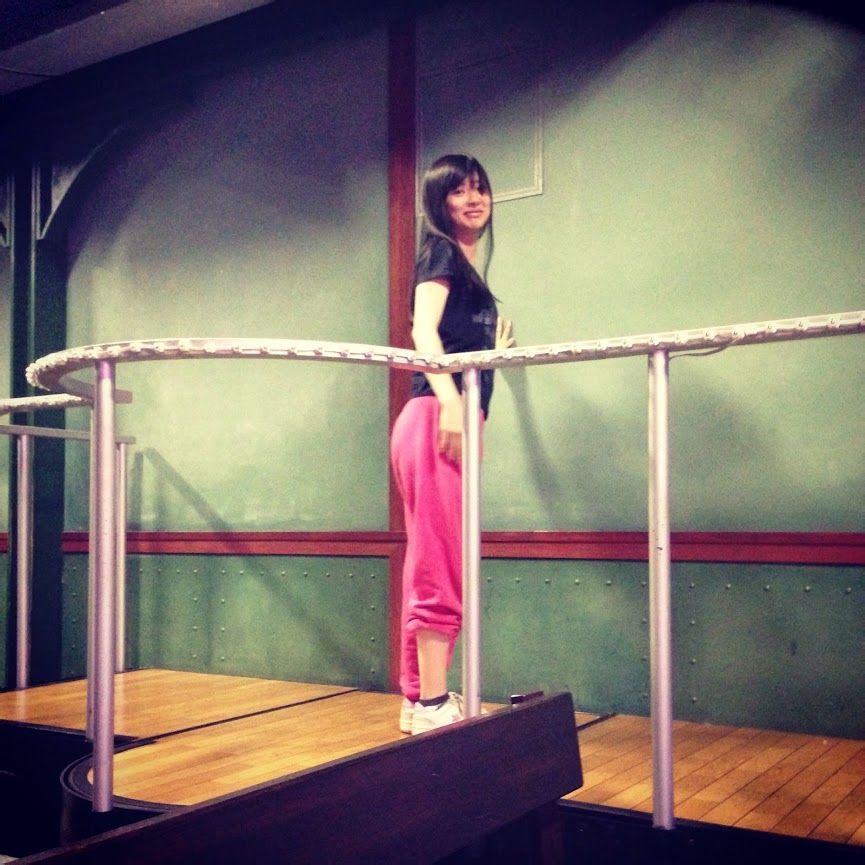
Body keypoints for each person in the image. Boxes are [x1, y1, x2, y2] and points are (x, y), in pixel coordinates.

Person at [390, 154, 514, 735]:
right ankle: (435, 702)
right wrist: (451, 401)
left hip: (444, 416)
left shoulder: (464, 267)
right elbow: (421, 330)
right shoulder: (440, 251)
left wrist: (491, 356)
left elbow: (449, 337)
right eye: (460, 190)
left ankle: (419, 697)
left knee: (430, 556)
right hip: (436, 417)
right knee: (440, 562)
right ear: (439, 202)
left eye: (480, 188)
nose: (474, 198)